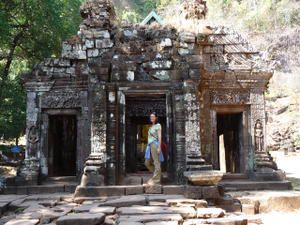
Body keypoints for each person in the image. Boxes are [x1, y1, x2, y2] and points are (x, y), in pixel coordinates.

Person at [145, 112, 164, 185]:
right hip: (149, 145)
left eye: (153, 117)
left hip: (155, 145)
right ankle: (158, 175)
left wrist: (159, 147)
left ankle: (156, 180)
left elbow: (159, 137)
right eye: (150, 117)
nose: (151, 118)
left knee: (156, 162)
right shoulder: (150, 127)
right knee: (147, 163)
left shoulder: (158, 125)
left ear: (156, 118)